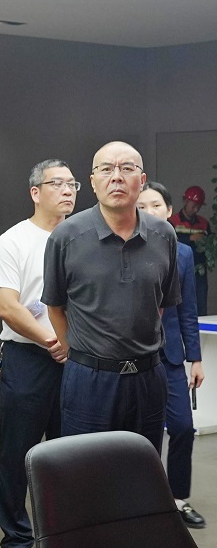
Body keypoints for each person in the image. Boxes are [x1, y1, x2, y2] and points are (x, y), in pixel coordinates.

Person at [43, 141, 180, 452]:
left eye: (126, 168)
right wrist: (83, 357)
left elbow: (159, 306)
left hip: (148, 378)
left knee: (143, 469)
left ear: (141, 181)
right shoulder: (66, 237)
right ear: (93, 182)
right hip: (89, 382)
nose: (116, 177)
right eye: (106, 169)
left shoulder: (164, 235)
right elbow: (55, 307)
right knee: (86, 471)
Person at [0, 160, 75, 547]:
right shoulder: (14, 240)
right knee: (17, 453)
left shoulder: (82, 236)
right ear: (35, 192)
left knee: (68, 452)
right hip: (28, 360)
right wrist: (53, 342)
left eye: (73, 184)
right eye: (58, 183)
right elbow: (8, 306)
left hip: (76, 361)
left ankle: (62, 531)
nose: (68, 190)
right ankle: (18, 536)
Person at [137, 181, 207, 529]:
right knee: (141, 436)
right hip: (135, 357)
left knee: (182, 428)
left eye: (155, 206)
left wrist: (195, 358)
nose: (148, 212)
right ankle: (145, 502)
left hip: (171, 357)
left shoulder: (183, 254)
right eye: (141, 207)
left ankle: (178, 499)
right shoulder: (126, 248)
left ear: (168, 212)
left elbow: (187, 311)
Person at [170, 185, 211, 317]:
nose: (196, 209)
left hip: (199, 271)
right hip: (178, 270)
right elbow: (170, 244)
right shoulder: (172, 221)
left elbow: (210, 245)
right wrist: (190, 238)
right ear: (185, 201)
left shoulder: (204, 223)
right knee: (178, 305)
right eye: (193, 205)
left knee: (200, 305)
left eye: (198, 206)